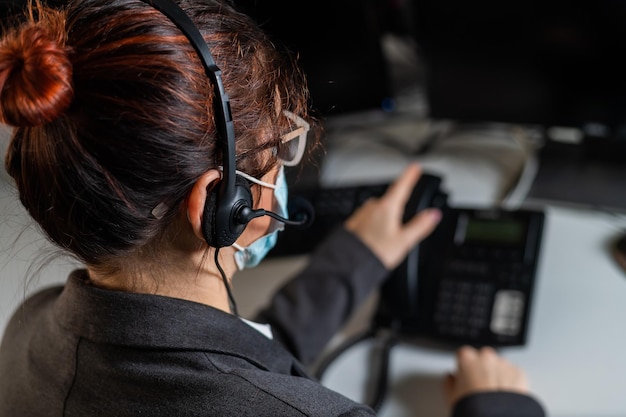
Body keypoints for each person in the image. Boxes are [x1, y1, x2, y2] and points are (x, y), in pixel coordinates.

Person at [0, 0, 545, 416]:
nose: (286, 168)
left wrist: (353, 260)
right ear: (218, 202)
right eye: (283, 149)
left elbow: (236, 363)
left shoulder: (32, 329)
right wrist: (495, 406)